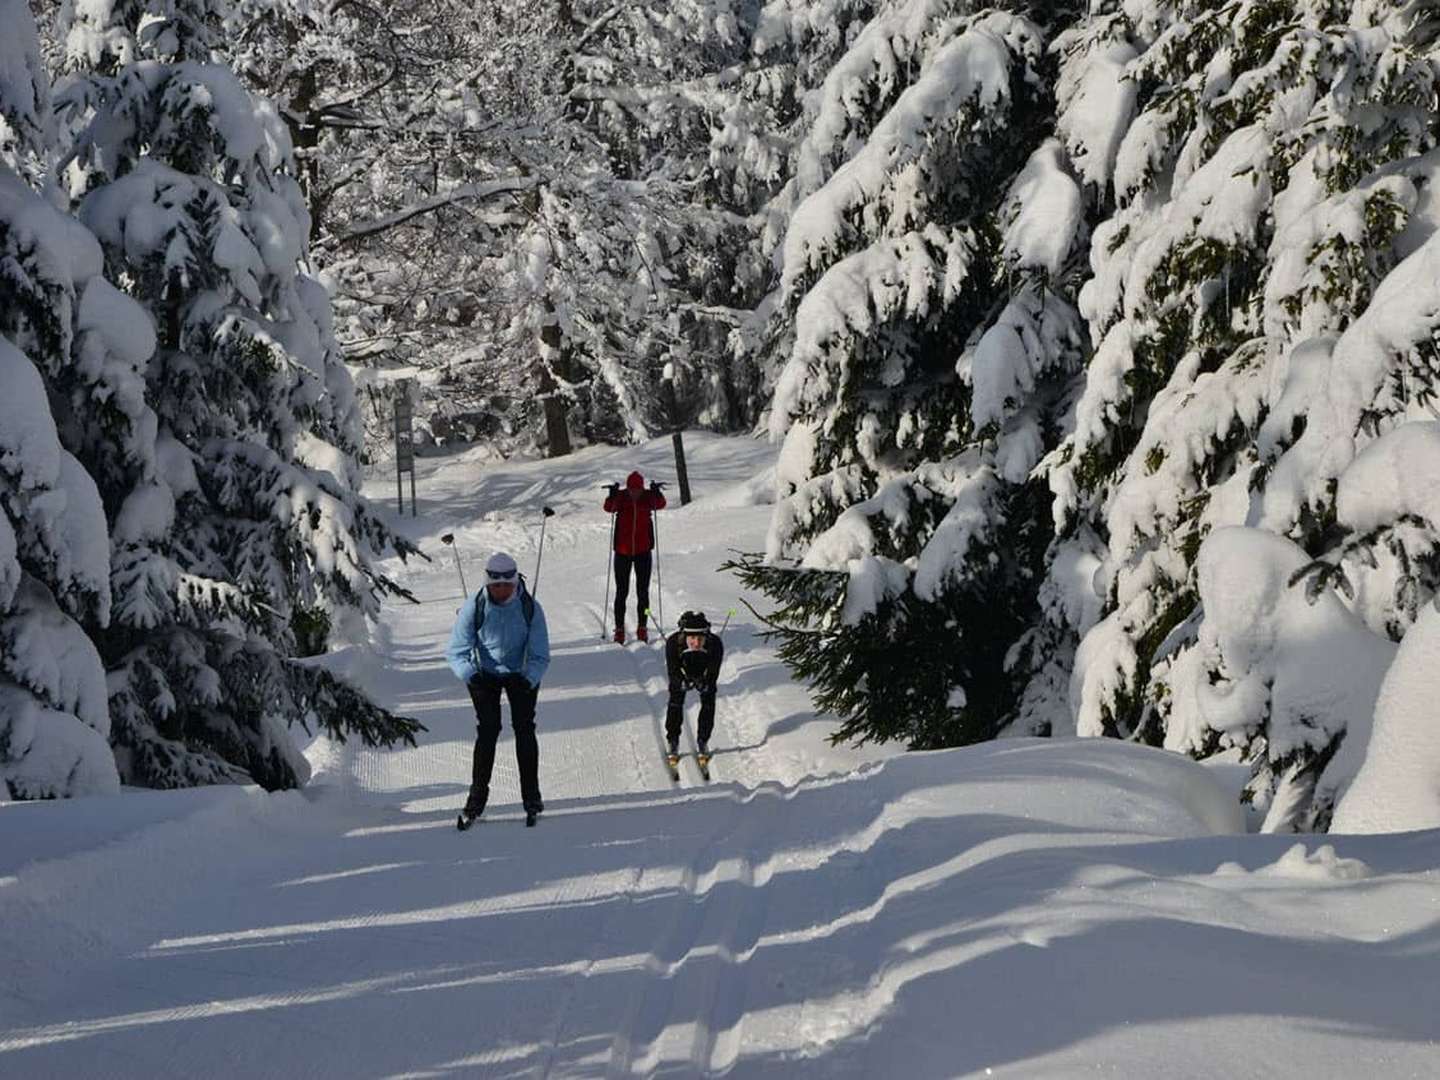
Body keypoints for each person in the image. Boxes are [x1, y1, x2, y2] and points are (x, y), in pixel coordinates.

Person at [445, 551, 550, 825]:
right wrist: (470, 674)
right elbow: (456, 652)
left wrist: (530, 677)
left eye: (507, 585)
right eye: (496, 586)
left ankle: (531, 797)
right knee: (488, 730)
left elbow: (540, 654)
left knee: (524, 727)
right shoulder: (475, 606)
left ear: (516, 583)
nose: (502, 591)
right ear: (488, 583)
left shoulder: (530, 607)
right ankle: (476, 800)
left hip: (521, 672)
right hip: (485, 674)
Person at [603, 470, 666, 643]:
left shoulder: (648, 497)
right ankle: (619, 629)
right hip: (622, 552)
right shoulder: (621, 497)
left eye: (637, 489)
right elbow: (609, 508)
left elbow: (661, 504)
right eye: (631, 489)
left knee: (642, 592)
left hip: (643, 551)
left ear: (641, 487)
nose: (634, 492)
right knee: (621, 592)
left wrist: (656, 492)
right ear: (628, 487)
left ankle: (642, 627)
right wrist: (612, 495)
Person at [665, 610, 723, 759]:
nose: (696, 642)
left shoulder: (715, 644)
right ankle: (673, 739)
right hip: (683, 671)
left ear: (706, 636)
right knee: (676, 699)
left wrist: (706, 683)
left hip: (703, 671)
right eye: (692, 638)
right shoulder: (673, 643)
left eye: (700, 638)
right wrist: (681, 681)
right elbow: (672, 671)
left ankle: (703, 740)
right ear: (684, 636)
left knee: (709, 698)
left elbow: (713, 672)